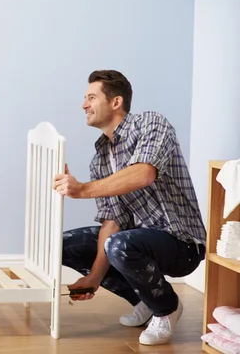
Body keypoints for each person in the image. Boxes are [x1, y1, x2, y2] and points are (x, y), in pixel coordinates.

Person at [53, 70, 206, 346]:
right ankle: (146, 300)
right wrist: (94, 277)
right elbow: (112, 221)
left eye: (91, 97)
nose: (83, 105)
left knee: (120, 244)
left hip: (181, 242)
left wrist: (83, 189)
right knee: (64, 245)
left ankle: (166, 308)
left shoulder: (151, 124)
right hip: (135, 238)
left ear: (115, 102)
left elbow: (143, 173)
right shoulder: (100, 158)